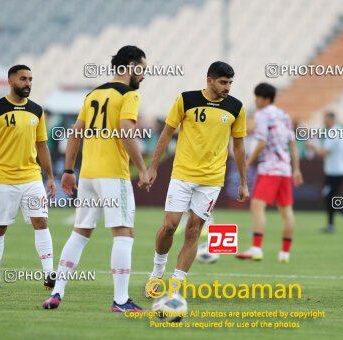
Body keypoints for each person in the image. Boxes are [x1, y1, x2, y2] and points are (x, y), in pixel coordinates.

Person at [42, 46, 150, 312]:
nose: (144, 76)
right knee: (124, 233)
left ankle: (57, 293)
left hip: (88, 174)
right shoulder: (129, 95)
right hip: (113, 174)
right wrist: (143, 168)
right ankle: (121, 300)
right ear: (130, 66)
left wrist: (68, 171)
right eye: (143, 69)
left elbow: (75, 132)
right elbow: (126, 131)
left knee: (80, 232)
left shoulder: (93, 94)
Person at [145, 61, 249, 297]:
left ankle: (176, 287)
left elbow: (239, 146)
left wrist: (243, 182)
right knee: (170, 226)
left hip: (212, 180)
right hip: (182, 174)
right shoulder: (186, 100)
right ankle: (156, 273)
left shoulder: (236, 108)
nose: (227, 87)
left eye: (230, 83)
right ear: (209, 80)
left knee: (193, 231)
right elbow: (167, 133)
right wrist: (153, 167)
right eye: (223, 82)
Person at [0, 65, 56, 289]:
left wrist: (49, 176)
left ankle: (49, 275)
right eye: (23, 79)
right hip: (3, 179)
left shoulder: (37, 110)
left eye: (30, 79)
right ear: (10, 81)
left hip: (31, 178)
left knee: (41, 222)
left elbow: (42, 146)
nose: (28, 83)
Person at [236, 83, 303, 263]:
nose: (255, 101)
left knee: (257, 206)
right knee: (286, 211)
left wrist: (247, 163)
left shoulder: (262, 115)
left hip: (269, 169)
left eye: (256, 97)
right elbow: (293, 144)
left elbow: (261, 142)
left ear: (265, 99)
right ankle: (285, 253)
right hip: (285, 170)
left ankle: (256, 248)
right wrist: (296, 169)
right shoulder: (284, 115)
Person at [309, 111, 343, 233]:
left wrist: (312, 147)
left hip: (335, 172)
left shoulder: (333, 133)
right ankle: (332, 225)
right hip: (336, 170)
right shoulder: (338, 131)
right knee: (331, 197)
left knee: (330, 198)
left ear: (331, 119)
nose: (324, 122)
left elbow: (324, 152)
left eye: (325, 119)